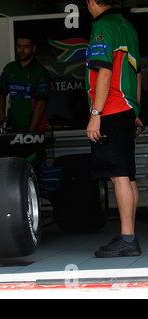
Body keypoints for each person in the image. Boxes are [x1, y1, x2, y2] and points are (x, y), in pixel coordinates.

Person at [85, 0, 143, 257]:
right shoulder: (127, 26)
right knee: (127, 176)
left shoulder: (103, 26)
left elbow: (104, 70)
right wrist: (136, 112)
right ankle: (127, 234)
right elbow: (138, 73)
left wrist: (95, 114)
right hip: (126, 109)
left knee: (119, 175)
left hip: (111, 109)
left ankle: (128, 239)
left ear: (92, 1)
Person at [0, 35, 51, 133]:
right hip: (12, 128)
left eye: (26, 47)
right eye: (19, 46)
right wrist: (1, 113)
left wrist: (30, 134)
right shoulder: (9, 68)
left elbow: (41, 105)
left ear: (34, 48)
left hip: (34, 130)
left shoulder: (40, 72)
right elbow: (0, 93)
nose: (21, 50)